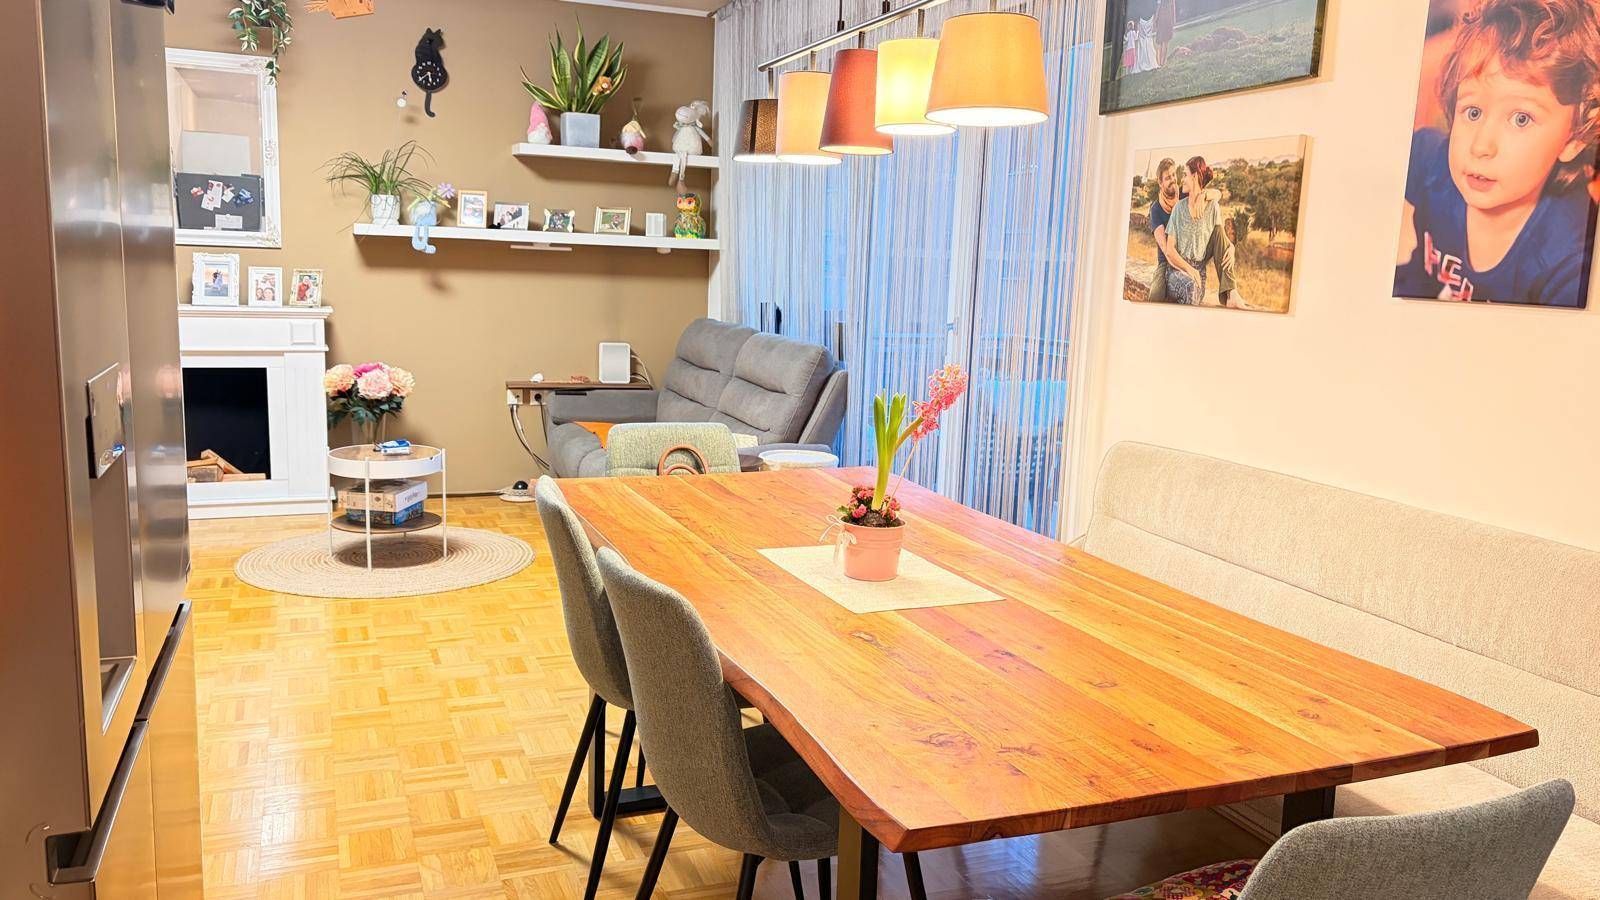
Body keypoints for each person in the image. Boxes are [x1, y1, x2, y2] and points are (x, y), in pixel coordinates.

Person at [1395, 0, 1600, 307]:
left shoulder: (1571, 261)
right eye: (1473, 112)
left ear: (1574, 139)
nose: (1481, 146)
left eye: (1521, 119)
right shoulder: (1431, 162)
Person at [1148, 156, 1236, 305]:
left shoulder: (1184, 193)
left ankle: (1231, 294)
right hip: (1169, 261)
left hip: (1194, 253)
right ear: (1160, 183)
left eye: (1174, 175)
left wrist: (1203, 196)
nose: (1173, 180)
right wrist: (1189, 270)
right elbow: (1167, 250)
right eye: (1168, 178)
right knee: (1155, 295)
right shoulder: (1156, 209)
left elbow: (1217, 194)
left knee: (1217, 233)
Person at [1156, 0, 1177, 67]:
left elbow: (1158, 8)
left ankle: (1160, 62)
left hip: (1162, 20)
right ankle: (1163, 62)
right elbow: (1173, 9)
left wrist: (1156, 20)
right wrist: (1173, 21)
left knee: (1161, 42)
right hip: (1167, 20)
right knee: (1166, 42)